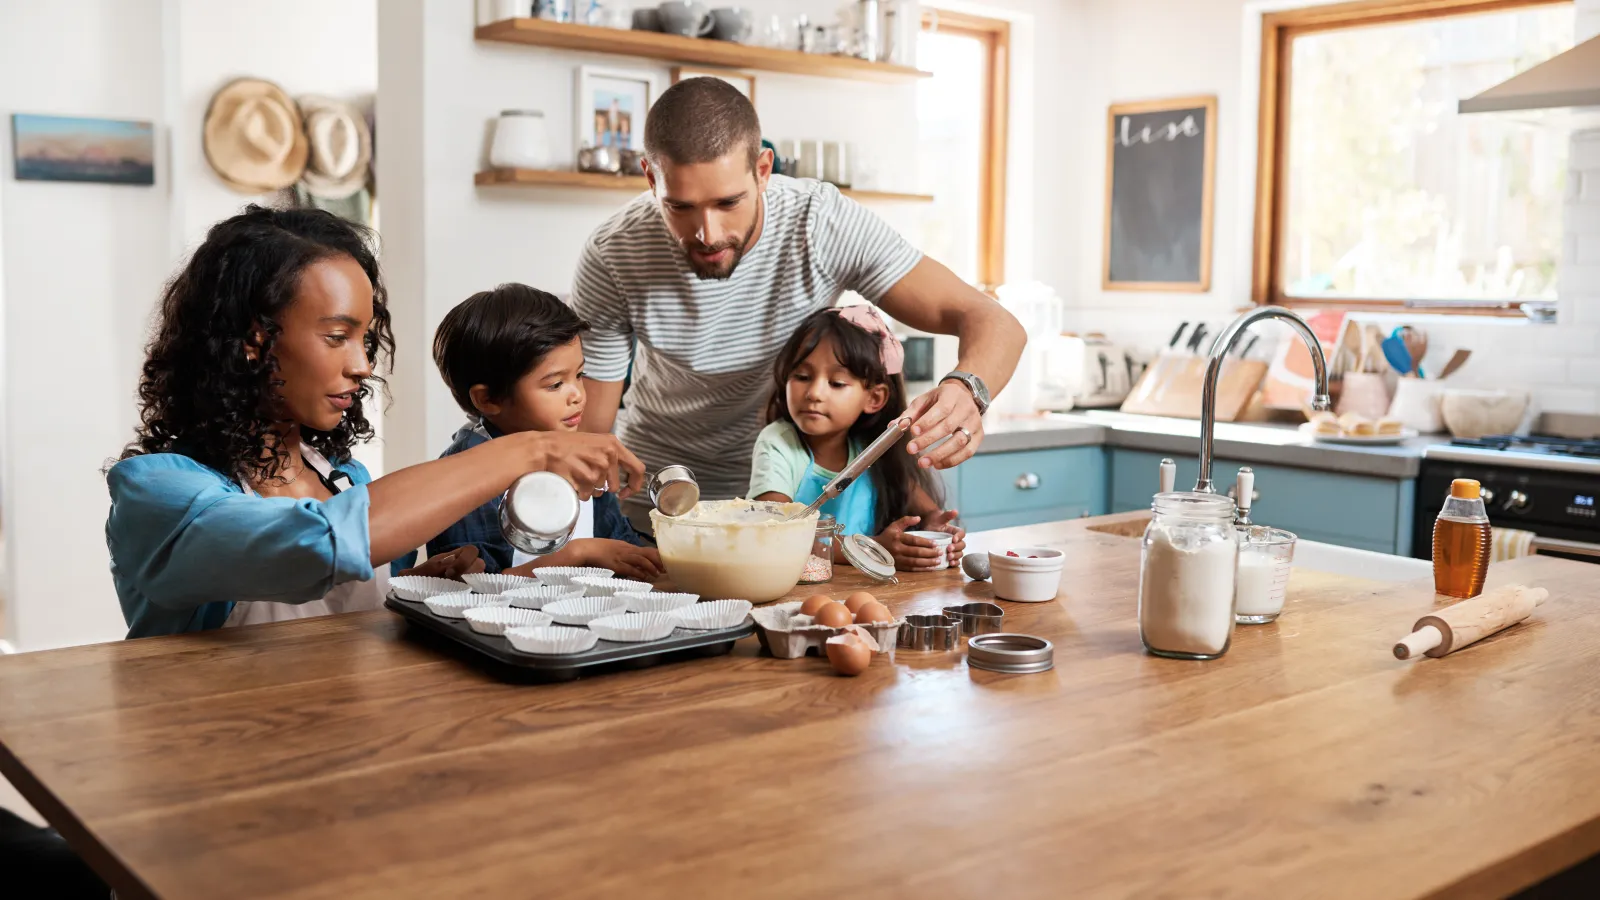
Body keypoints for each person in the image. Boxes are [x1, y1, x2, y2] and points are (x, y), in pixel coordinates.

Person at [104, 206, 643, 638]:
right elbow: (314, 544)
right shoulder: (159, 498)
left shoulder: (344, 478)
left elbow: (349, 621)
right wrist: (531, 450)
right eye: (337, 337)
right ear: (252, 342)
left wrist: (416, 585)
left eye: (365, 339)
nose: (362, 365)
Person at [571, 77, 1026, 531]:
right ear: (652, 178)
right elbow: (589, 430)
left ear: (763, 170)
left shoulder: (820, 223)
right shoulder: (615, 252)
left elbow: (993, 321)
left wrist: (969, 389)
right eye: (681, 207)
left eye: (729, 202)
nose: (707, 233)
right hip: (659, 508)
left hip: (791, 509)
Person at [424, 283, 663, 581]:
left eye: (580, 375)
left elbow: (619, 546)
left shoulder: (581, 456)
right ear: (488, 399)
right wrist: (579, 554)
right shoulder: (464, 476)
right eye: (554, 385)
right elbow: (472, 586)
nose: (577, 394)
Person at [750, 307, 965, 571]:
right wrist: (872, 549)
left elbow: (928, 511)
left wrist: (935, 527)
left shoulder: (873, 449)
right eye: (802, 377)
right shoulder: (778, 444)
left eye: (837, 383)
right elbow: (777, 530)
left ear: (874, 398)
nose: (814, 393)